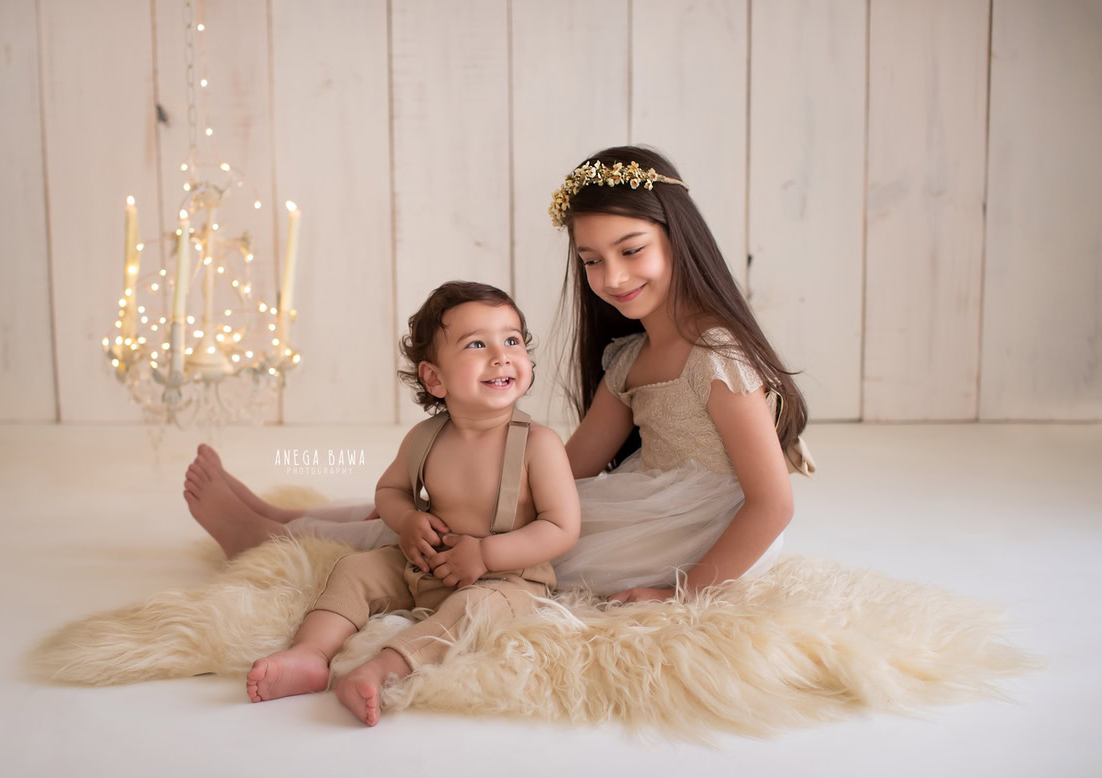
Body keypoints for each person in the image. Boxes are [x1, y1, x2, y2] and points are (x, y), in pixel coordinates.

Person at [185, 144, 814, 604]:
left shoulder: (716, 357)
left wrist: (680, 597)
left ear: (677, 238)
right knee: (471, 500)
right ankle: (284, 520)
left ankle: (266, 538)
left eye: (631, 250)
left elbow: (771, 503)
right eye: (592, 261)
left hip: (697, 536)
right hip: (646, 505)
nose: (614, 279)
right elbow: (565, 471)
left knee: (478, 530)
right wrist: (474, 464)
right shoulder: (629, 359)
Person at [227, 281, 579, 726]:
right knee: (354, 569)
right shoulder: (425, 439)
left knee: (473, 611)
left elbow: (562, 526)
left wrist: (486, 553)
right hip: (427, 568)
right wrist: (408, 520)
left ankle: (383, 669)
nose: (501, 355)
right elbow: (389, 491)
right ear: (435, 378)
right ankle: (311, 654)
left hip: (508, 582)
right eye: (477, 344)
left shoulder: (539, 445)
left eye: (512, 339)